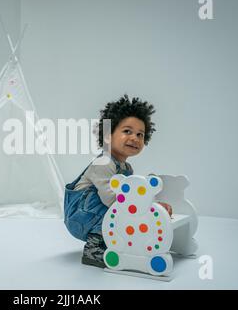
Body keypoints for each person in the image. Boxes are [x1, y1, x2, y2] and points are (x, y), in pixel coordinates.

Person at [63, 95, 172, 268]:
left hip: (98, 212)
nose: (135, 138)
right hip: (81, 216)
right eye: (127, 131)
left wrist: (154, 206)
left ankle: (115, 241)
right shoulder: (104, 162)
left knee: (127, 211)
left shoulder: (127, 168)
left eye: (140, 134)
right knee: (121, 211)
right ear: (108, 135)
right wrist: (144, 210)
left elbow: (134, 195)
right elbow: (112, 199)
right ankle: (94, 248)